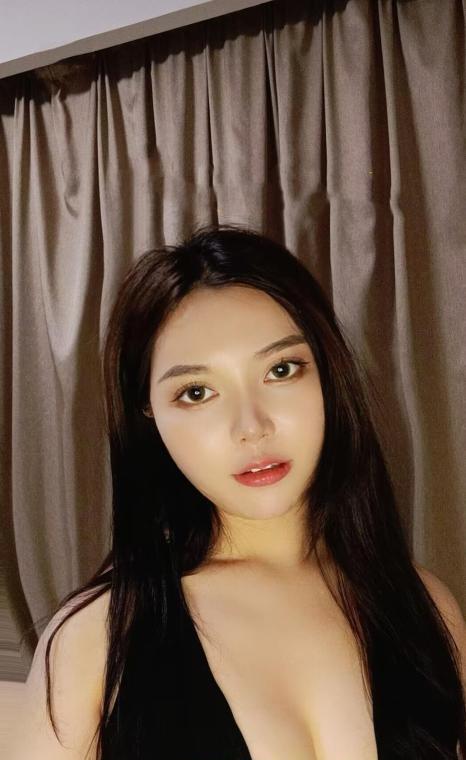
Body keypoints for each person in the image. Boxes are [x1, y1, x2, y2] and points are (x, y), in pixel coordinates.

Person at [11, 224, 465, 759]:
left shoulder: (426, 606)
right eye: (196, 392)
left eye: (281, 369)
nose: (251, 427)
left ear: (327, 375)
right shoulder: (96, 639)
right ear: (148, 414)